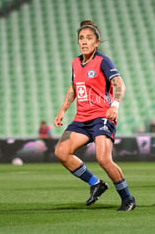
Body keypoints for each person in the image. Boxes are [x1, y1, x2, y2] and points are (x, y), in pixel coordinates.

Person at [54, 20, 135, 211]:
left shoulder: (103, 61)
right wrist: (62, 110)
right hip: (81, 119)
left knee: (103, 159)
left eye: (88, 38)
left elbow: (119, 85)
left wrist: (114, 106)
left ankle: (128, 198)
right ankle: (96, 183)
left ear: (96, 42)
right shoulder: (75, 63)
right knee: (61, 152)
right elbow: (74, 87)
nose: (84, 42)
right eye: (81, 38)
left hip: (102, 116)